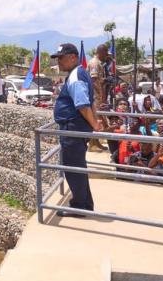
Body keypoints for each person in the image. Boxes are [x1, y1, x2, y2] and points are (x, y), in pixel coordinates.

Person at [51, 43, 101, 217]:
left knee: (73, 168)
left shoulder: (75, 76)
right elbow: (91, 101)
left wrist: (94, 124)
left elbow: (82, 104)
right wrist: (94, 122)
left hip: (72, 127)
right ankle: (84, 203)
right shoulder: (80, 73)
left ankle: (79, 206)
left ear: (73, 57)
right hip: (75, 127)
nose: (59, 62)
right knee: (77, 166)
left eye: (61, 58)